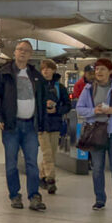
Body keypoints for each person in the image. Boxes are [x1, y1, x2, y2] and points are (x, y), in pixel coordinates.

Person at [0, 40, 47, 211]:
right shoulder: (4, 73)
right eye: (20, 50)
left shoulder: (36, 76)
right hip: (11, 126)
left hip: (30, 126)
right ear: (14, 53)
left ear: (30, 55)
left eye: (26, 51)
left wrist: (42, 120)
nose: (22, 53)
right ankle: (15, 195)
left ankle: (34, 196)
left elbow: (42, 99)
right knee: (11, 163)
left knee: (32, 162)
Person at [76, 59, 112, 212]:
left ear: (110, 72)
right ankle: (100, 199)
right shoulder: (88, 89)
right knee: (97, 168)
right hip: (96, 132)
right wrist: (93, 111)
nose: (99, 72)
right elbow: (80, 108)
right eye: (97, 69)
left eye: (102, 69)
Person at [38, 59, 71, 194]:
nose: (46, 71)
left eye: (49, 68)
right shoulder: (37, 86)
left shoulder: (60, 88)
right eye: (44, 68)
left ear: (54, 70)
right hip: (41, 124)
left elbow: (67, 105)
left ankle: (42, 176)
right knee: (47, 153)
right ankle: (51, 180)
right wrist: (43, 107)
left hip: (55, 124)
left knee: (52, 153)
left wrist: (56, 109)